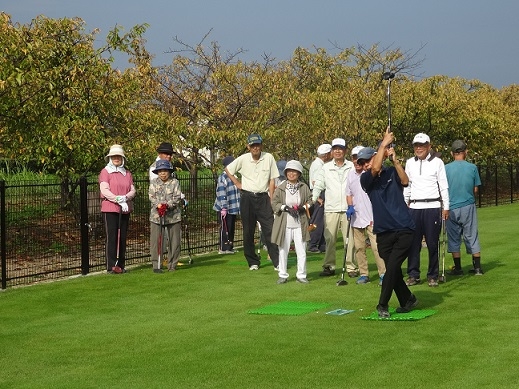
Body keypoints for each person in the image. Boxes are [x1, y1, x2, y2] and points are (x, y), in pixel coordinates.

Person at [358, 129, 418, 318]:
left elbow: (406, 181)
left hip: (403, 227)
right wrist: (384, 143)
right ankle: (408, 299)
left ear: (376, 157)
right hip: (383, 231)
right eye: (362, 162)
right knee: (393, 269)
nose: (366, 164)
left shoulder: (392, 170)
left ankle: (382, 305)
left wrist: (395, 161)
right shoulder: (366, 178)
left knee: (391, 268)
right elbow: (375, 169)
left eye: (368, 160)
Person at [225, 133, 280, 271]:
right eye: (253, 145)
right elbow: (228, 169)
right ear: (248, 146)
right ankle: (253, 261)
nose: (256, 148)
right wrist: (237, 183)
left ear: (261, 145)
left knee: (270, 230)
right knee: (248, 231)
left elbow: (272, 179)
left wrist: (272, 197)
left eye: (258, 145)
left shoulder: (269, 157)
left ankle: (277, 261)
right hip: (247, 198)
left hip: (263, 198)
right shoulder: (243, 159)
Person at [403, 133, 450, 287]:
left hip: (433, 206)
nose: (419, 148)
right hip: (415, 207)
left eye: (422, 145)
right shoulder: (410, 163)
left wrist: (446, 207)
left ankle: (432, 275)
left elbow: (443, 186)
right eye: (416, 145)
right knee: (413, 244)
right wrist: (405, 204)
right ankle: (413, 274)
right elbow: (407, 185)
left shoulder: (438, 162)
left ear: (429, 146)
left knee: (432, 243)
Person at [311, 138, 354, 276]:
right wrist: (312, 200)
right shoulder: (326, 167)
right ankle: (329, 266)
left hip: (348, 208)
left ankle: (351, 266)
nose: (337, 151)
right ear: (331, 151)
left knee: (350, 239)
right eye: (335, 149)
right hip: (331, 208)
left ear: (345, 150)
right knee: (330, 239)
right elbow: (318, 185)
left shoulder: (352, 166)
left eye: (340, 148)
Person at [346, 145, 386, 285]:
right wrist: (350, 206)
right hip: (356, 217)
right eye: (354, 158)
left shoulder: (370, 173)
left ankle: (383, 273)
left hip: (371, 217)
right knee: (359, 247)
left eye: (359, 159)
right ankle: (364, 274)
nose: (357, 162)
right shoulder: (350, 175)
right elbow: (348, 193)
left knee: (376, 247)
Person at [445, 140, 483, 275]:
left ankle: (458, 268)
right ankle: (477, 268)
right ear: (466, 152)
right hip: (468, 205)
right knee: (472, 234)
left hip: (451, 207)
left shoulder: (446, 168)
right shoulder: (472, 168)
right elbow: (476, 189)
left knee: (454, 237)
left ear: (452, 153)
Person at [271, 160, 313, 284]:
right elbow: (274, 203)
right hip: (285, 224)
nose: (291, 173)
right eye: (289, 171)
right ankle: (283, 275)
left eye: (294, 171)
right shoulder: (281, 188)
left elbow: (311, 200)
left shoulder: (303, 187)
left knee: (301, 250)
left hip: (300, 223)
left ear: (299, 173)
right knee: (283, 249)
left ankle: (301, 275)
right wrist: (286, 208)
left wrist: (303, 208)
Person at [99, 144, 136, 274]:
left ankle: (121, 264)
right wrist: (117, 199)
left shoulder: (127, 173)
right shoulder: (105, 172)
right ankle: (111, 266)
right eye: (114, 156)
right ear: (110, 158)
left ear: (122, 158)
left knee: (123, 237)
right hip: (110, 208)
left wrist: (125, 198)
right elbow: (104, 190)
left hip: (125, 208)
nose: (116, 158)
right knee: (112, 236)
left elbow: (132, 190)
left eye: (118, 156)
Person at [149, 159, 183, 273]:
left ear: (169, 171)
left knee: (175, 241)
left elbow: (177, 197)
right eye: (160, 171)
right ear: (157, 172)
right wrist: (158, 205)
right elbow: (151, 197)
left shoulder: (175, 182)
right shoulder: (154, 182)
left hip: (173, 216)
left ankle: (172, 264)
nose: (163, 173)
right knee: (156, 241)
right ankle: (156, 264)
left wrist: (167, 205)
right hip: (156, 216)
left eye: (165, 171)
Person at [213, 155, 241, 254]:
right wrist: (224, 207)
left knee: (231, 227)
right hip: (224, 208)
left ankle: (229, 246)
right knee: (225, 228)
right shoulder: (223, 177)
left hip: (233, 208)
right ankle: (223, 248)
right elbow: (221, 193)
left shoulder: (234, 177)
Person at [307, 143, 332, 253]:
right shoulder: (318, 165)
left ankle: (322, 244)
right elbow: (315, 182)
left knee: (323, 220)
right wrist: (317, 198)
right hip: (319, 195)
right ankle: (312, 244)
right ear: (326, 155)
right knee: (318, 220)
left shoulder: (319, 163)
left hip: (321, 194)